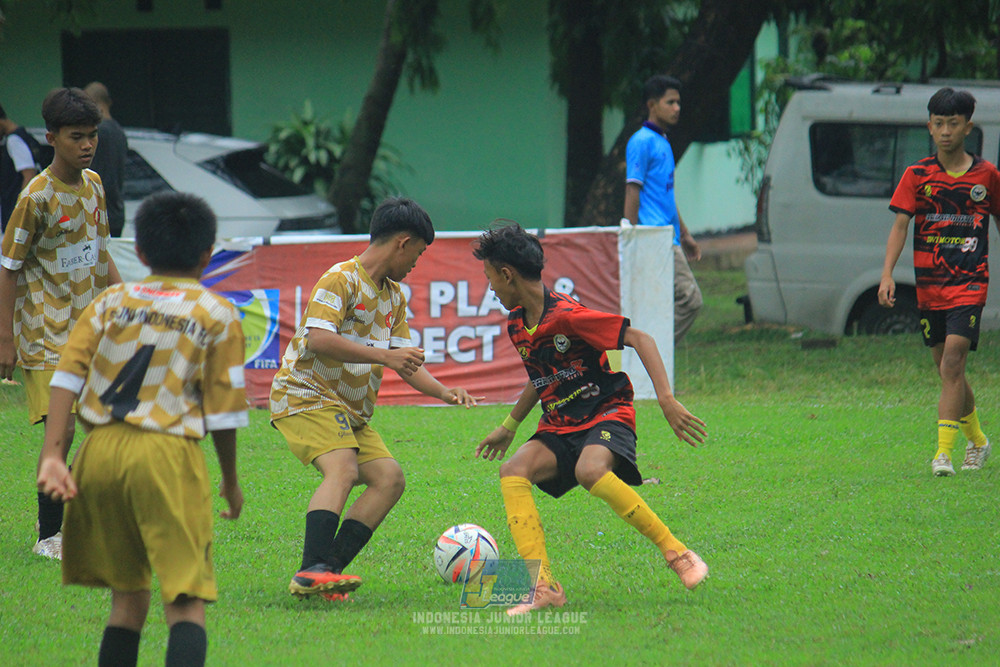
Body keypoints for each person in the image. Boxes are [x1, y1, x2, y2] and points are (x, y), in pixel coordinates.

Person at [36, 190, 247, 667]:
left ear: (143, 253)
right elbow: (227, 411)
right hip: (167, 454)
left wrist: (52, 455)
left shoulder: (110, 301)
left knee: (128, 597)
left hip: (98, 452)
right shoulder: (216, 312)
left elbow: (67, 375)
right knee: (186, 601)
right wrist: (230, 481)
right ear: (206, 255)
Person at [473, 222, 708, 616]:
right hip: (560, 424)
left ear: (507, 274)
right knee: (513, 471)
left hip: (606, 411)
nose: (491, 287)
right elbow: (540, 376)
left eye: (491, 278)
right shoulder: (517, 323)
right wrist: (508, 427)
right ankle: (543, 587)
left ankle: (678, 553)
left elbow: (640, 339)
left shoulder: (568, 315)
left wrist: (666, 399)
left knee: (589, 470)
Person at [270, 196, 481, 600]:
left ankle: (327, 573)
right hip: (304, 394)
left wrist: (443, 390)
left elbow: (405, 362)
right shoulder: (340, 279)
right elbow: (318, 339)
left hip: (347, 413)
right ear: (403, 243)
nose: (415, 265)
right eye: (417, 255)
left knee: (389, 479)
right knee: (344, 469)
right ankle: (311, 570)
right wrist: (386, 355)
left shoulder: (393, 296)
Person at [0, 87, 122, 560]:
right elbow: (9, 268)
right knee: (64, 430)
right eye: (77, 137)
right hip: (43, 334)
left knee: (106, 429)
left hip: (90, 331)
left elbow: (100, 252)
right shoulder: (35, 196)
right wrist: (5, 337)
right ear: (52, 138)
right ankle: (49, 533)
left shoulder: (94, 186)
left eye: (92, 136)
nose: (87, 144)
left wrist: (127, 302)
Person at [879, 87, 1000, 477]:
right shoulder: (917, 175)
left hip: (969, 284)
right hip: (930, 288)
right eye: (939, 123)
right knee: (948, 370)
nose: (946, 131)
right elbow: (900, 225)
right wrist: (886, 275)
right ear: (929, 127)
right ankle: (979, 443)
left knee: (953, 362)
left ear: (968, 127)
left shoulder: (987, 176)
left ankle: (943, 454)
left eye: (954, 123)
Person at [623, 74, 703, 344]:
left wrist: (687, 235)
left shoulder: (664, 142)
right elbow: (632, 189)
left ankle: (651, 364)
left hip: (669, 236)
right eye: (670, 102)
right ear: (652, 105)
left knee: (660, 306)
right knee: (691, 300)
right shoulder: (641, 141)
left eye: (678, 103)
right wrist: (630, 235)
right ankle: (653, 356)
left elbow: (666, 196)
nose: (677, 108)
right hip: (653, 237)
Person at [84, 82, 129, 237]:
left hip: (100, 213)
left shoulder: (99, 132)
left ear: (93, 103)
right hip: (115, 210)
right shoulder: (119, 131)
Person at [0, 102, 41, 231]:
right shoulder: (25, 136)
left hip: (17, 218)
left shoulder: (14, 141)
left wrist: (20, 213)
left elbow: (28, 175)